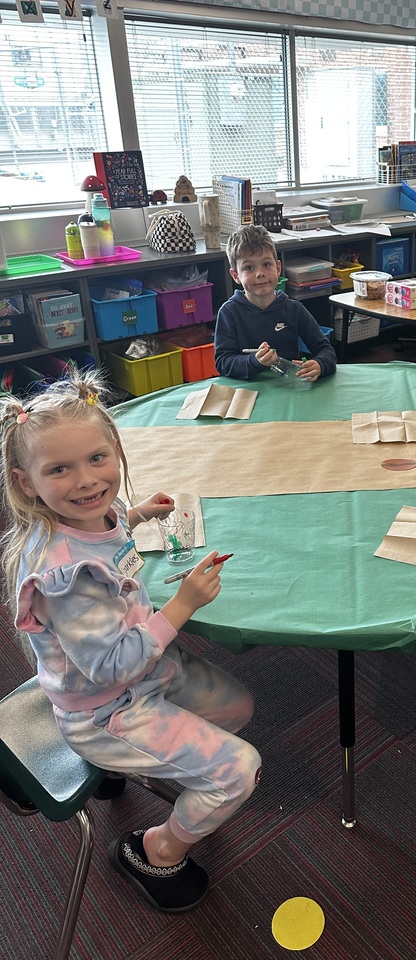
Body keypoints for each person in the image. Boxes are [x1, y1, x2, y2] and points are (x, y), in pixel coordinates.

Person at [0, 371, 262, 913]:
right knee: (240, 771)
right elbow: (112, 667)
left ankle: (132, 771)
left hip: (146, 673)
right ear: (26, 483)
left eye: (98, 459)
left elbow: (106, 535)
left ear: (115, 450)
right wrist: (183, 603)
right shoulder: (67, 580)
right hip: (106, 707)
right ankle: (154, 850)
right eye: (59, 470)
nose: (87, 481)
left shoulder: (90, 512)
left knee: (238, 706)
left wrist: (136, 516)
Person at [214, 224, 337, 381]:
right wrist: (255, 361)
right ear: (235, 275)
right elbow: (223, 363)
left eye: (266, 264)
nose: (260, 274)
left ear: (278, 268)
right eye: (249, 267)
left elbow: (326, 350)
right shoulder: (229, 313)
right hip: (248, 391)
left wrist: (319, 364)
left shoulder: (294, 309)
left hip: (289, 388)